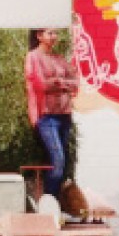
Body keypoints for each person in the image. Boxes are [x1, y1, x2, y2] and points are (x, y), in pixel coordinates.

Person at [21, 26, 82, 207]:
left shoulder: (59, 59)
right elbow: (41, 85)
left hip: (64, 115)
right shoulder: (33, 57)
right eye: (50, 33)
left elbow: (76, 83)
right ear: (39, 36)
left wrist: (59, 82)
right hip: (46, 117)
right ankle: (48, 205)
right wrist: (63, 84)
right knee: (58, 161)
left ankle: (51, 205)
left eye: (56, 33)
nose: (54, 36)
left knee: (61, 165)